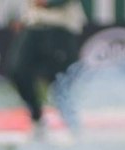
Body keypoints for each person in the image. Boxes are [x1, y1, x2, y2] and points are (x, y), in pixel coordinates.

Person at [7, 0, 83, 138]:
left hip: (60, 26)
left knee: (59, 80)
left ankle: (73, 124)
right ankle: (37, 119)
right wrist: (19, 17)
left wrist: (48, 2)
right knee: (18, 70)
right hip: (33, 25)